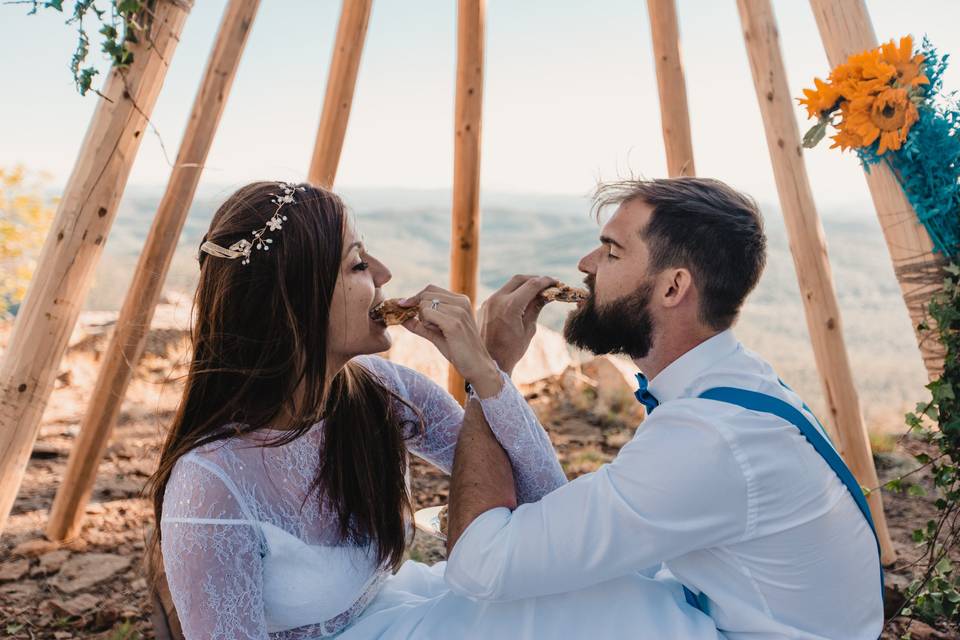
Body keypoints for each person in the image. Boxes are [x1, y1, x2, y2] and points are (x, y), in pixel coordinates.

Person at [433, 176, 884, 639]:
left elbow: (478, 565)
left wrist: (487, 373)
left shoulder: (709, 436)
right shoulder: (734, 383)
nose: (586, 264)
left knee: (503, 614)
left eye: (611, 252)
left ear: (672, 288)